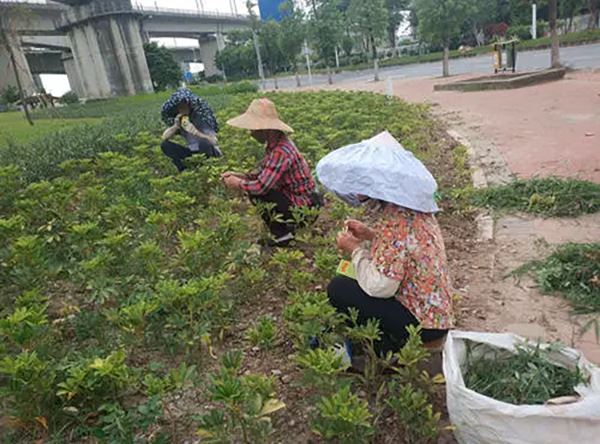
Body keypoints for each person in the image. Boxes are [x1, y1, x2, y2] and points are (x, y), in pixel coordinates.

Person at [316, 131, 454, 356]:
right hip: (435, 315)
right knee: (352, 279)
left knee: (339, 288)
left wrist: (354, 250)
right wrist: (370, 234)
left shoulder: (394, 221)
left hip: (421, 325)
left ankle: (389, 351)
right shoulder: (410, 209)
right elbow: (404, 248)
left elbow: (380, 287)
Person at [221, 98, 321, 247]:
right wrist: (239, 175)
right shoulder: (275, 145)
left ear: (264, 129)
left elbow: (261, 186)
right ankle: (283, 231)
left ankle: (283, 236)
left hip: (305, 209)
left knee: (258, 192)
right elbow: (263, 174)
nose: (251, 133)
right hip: (300, 200)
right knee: (255, 187)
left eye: (253, 129)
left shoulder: (280, 151)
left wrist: (238, 183)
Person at [160, 88, 221, 172]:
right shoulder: (181, 119)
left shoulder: (201, 117)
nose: (182, 109)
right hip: (192, 152)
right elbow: (164, 137)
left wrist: (196, 132)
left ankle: (207, 167)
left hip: (208, 151)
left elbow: (214, 141)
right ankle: (185, 169)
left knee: (204, 143)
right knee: (165, 145)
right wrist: (175, 126)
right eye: (179, 107)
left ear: (189, 104)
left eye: (184, 105)